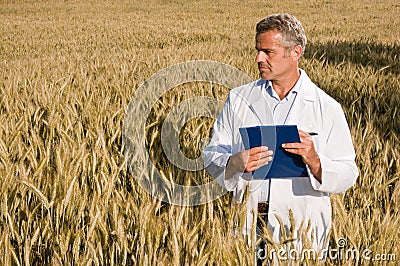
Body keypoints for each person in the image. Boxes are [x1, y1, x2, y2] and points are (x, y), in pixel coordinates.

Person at [202, 13, 358, 261]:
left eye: (268, 52)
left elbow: (349, 173)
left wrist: (315, 161)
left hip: (302, 232)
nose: (258, 59)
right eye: (257, 50)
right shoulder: (238, 99)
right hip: (248, 226)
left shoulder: (326, 107)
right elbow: (211, 155)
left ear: (295, 53)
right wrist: (234, 162)